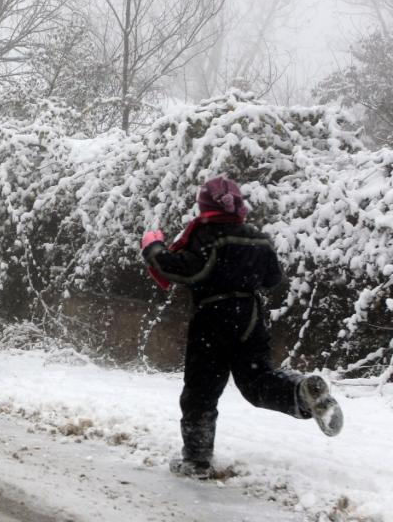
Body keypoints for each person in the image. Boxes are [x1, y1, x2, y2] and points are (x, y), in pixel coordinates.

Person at [141, 176, 343, 480]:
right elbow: (273, 279)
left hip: (213, 318)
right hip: (250, 316)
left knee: (201, 392)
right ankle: (301, 393)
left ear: (204, 205)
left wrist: (153, 247)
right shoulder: (258, 238)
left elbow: (180, 268)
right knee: (256, 380)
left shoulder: (208, 236)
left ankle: (196, 461)